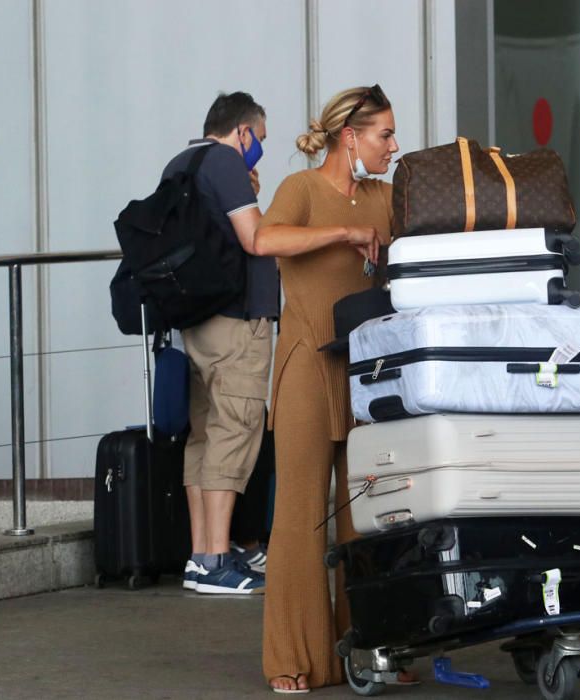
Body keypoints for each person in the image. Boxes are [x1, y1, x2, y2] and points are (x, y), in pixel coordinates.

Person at [252, 85, 411, 694]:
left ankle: (373, 647)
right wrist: (345, 233)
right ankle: (294, 658)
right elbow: (267, 241)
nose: (393, 147)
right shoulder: (301, 189)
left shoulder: (385, 197)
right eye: (384, 135)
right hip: (306, 367)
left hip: (368, 371)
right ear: (351, 137)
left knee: (367, 512)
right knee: (299, 515)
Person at [165, 92, 278, 595]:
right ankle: (214, 563)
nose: (258, 151)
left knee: (205, 435)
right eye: (260, 140)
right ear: (243, 132)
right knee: (235, 430)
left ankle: (201, 553)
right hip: (237, 320)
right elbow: (255, 239)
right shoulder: (227, 163)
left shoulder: (180, 162)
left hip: (197, 319)